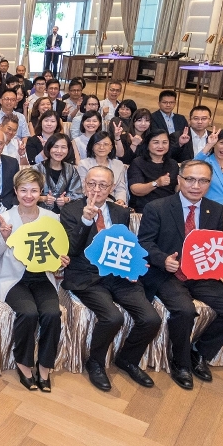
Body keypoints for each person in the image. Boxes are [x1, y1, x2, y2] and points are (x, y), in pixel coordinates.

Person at [138, 160, 223, 390]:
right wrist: (163, 259)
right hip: (167, 274)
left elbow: (215, 244)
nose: (196, 186)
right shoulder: (157, 207)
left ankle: (199, 352)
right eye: (190, 179)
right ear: (179, 179)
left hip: (201, 273)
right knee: (184, 310)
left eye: (203, 181)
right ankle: (181, 363)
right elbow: (144, 243)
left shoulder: (215, 209)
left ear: (210, 183)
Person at [59, 166, 161, 392]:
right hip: (86, 276)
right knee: (113, 317)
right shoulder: (70, 210)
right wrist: (85, 221)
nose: (96, 189)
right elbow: (71, 249)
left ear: (112, 188)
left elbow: (124, 245)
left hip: (117, 274)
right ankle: (95, 362)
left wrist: (134, 265)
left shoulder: (120, 212)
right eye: (91, 184)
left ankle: (127, 360)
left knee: (151, 319)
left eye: (103, 185)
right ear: (84, 185)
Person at [0, 168, 67, 391]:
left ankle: (44, 365)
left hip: (42, 277)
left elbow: (56, 253)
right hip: (13, 278)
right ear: (15, 191)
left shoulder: (52, 218)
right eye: (23, 190)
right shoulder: (6, 217)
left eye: (34, 190)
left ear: (41, 192)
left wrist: (62, 261)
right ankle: (23, 363)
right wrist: (4, 238)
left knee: (52, 313)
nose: (29, 195)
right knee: (28, 312)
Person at [127, 128, 179, 212]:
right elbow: (135, 190)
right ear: (147, 145)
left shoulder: (173, 164)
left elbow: (176, 188)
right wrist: (156, 183)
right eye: (156, 142)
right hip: (145, 208)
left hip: (169, 208)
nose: (161, 146)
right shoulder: (138, 162)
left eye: (164, 142)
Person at [77, 131, 128, 205]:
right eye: (97, 144)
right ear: (92, 146)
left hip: (114, 203)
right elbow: (83, 189)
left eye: (106, 144)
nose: (101, 147)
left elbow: (120, 188)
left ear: (111, 147)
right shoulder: (84, 164)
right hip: (91, 202)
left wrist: (120, 200)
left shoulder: (118, 164)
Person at [38, 134, 82, 213]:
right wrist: (43, 198)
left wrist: (66, 199)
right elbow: (27, 193)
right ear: (49, 148)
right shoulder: (36, 169)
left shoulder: (71, 169)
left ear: (68, 150)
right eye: (55, 147)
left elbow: (78, 194)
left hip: (65, 214)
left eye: (63, 147)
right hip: (40, 213)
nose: (59, 151)